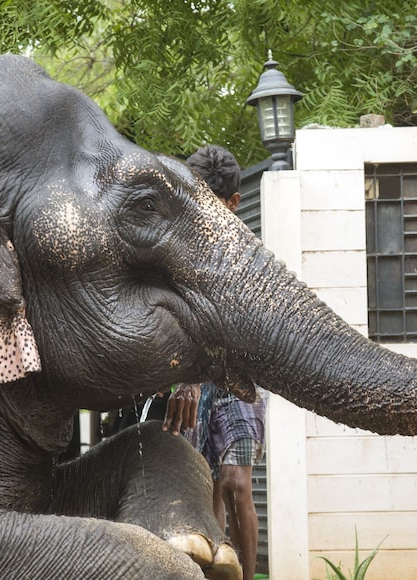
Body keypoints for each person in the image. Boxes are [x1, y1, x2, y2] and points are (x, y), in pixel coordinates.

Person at [162, 144, 266, 580]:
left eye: (213, 203)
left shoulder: (250, 256)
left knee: (235, 482)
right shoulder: (177, 249)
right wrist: (181, 381)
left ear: (235, 203)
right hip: (192, 378)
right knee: (204, 490)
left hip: (238, 380)